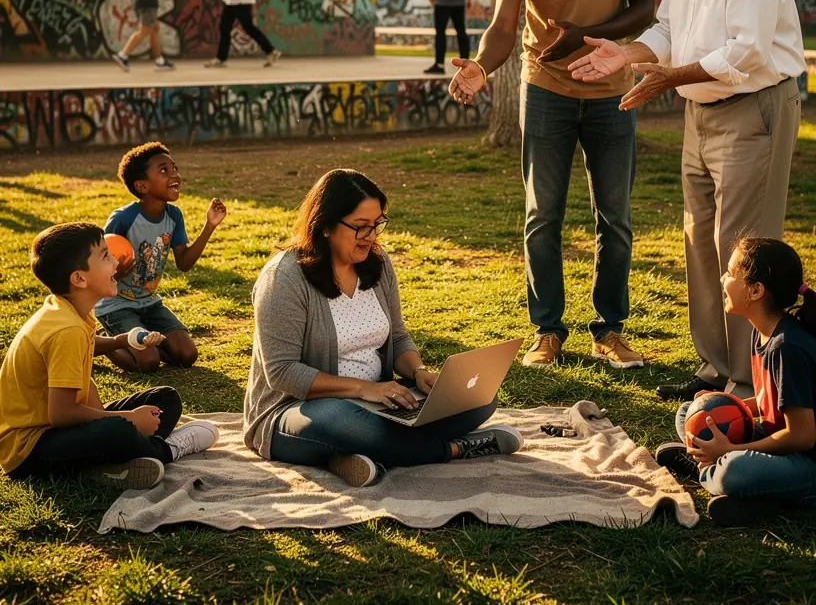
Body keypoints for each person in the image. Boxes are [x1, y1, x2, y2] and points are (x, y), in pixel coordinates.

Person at [570, 0, 805, 399]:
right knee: (700, 240)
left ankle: (748, 378)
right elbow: (669, 30)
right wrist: (628, 54)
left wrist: (671, 78)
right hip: (700, 112)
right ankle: (713, 366)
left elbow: (747, 53)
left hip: (753, 108)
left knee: (742, 248)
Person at [449, 0, 655, 370]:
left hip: (612, 90)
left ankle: (609, 330)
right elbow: (502, 28)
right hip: (546, 93)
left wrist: (583, 36)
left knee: (615, 217)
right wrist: (480, 66)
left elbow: (643, 8)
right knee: (543, 216)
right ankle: (547, 331)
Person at [243, 169, 523, 487]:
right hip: (298, 411)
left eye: (377, 224)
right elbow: (282, 372)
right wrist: (365, 389)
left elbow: (398, 336)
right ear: (324, 226)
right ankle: (455, 449)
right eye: (360, 227)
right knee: (342, 421)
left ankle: (354, 456)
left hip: (378, 405)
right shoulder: (285, 277)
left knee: (479, 398)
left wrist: (418, 372)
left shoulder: (377, 264)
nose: (372, 236)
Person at [0, 223, 218, 490]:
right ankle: (166, 451)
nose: (117, 261)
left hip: (58, 431)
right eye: (105, 255)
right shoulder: (66, 329)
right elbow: (61, 413)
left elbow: (86, 353)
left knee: (165, 400)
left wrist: (123, 340)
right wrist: (127, 419)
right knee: (119, 430)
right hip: (30, 450)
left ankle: (103, 465)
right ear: (79, 279)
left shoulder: (68, 309)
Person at [655, 238, 816, 527]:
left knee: (737, 470)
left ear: (755, 291)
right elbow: (771, 400)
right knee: (690, 412)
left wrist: (730, 450)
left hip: (808, 462)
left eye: (730, 273)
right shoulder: (764, 332)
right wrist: (729, 405)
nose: (723, 278)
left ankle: (708, 468)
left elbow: (803, 435)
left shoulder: (786, 347)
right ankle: (738, 482)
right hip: (778, 441)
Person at [95, 141, 227, 372]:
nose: (174, 174)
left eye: (174, 168)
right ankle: (101, 343)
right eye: (164, 170)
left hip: (149, 303)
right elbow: (99, 262)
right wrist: (117, 268)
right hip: (116, 305)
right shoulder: (123, 219)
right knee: (148, 362)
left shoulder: (173, 216)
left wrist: (210, 226)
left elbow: (184, 263)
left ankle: (141, 337)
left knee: (187, 355)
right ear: (142, 186)